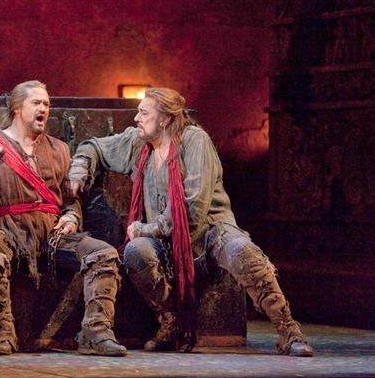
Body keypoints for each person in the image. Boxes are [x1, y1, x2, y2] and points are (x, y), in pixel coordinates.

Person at [65, 87, 315, 357]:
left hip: (210, 230)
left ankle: (288, 331)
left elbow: (192, 209)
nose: (137, 118)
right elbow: (93, 147)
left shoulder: (195, 141)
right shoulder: (138, 143)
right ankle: (172, 323)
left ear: (165, 120)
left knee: (245, 254)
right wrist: (78, 172)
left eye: (144, 113)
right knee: (136, 251)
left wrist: (145, 228)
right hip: (166, 239)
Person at [0, 80, 127, 356]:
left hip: (51, 231)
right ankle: (2, 334)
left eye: (46, 104)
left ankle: (96, 333)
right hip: (6, 228)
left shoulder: (59, 149)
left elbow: (69, 198)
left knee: (103, 254)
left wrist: (71, 217)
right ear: (17, 108)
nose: (43, 109)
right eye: (36, 103)